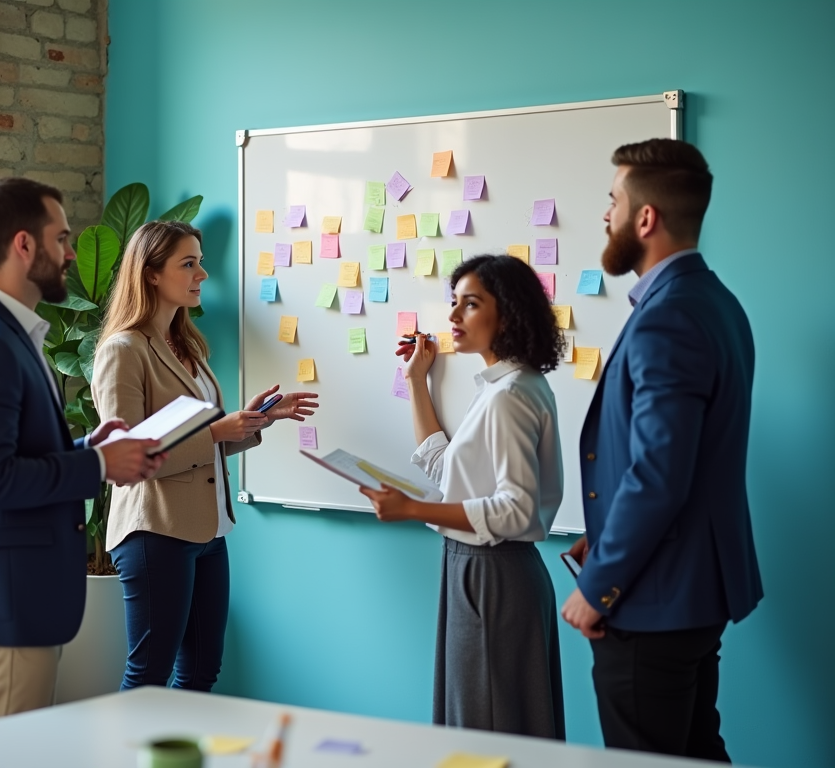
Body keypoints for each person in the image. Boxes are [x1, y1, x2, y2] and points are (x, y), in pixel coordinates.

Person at [0, 178, 165, 724]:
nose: (72, 253)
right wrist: (98, 465)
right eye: (62, 239)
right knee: (3, 755)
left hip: (17, 588)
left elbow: (12, 454)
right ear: (24, 245)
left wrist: (86, 446)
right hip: (6, 592)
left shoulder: (8, 334)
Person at [561, 139, 763, 761]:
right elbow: (682, 461)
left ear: (645, 218)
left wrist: (600, 586)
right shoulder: (717, 303)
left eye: (613, 201)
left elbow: (659, 475)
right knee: (698, 751)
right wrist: (605, 536)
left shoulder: (666, 316)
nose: (606, 215)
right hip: (696, 592)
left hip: (654, 603)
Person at [91, 220, 318, 691]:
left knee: (200, 671)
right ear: (151, 274)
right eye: (188, 264)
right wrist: (216, 431)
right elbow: (126, 457)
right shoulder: (123, 350)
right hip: (155, 530)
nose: (203, 275)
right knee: (149, 675)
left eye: (201, 262)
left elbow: (200, 443)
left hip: (208, 529)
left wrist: (255, 422)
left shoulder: (186, 344)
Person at [360, 254, 566, 739]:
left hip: (493, 573)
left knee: (486, 730)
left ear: (508, 314)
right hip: (475, 568)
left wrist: (413, 509)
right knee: (481, 723)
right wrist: (417, 382)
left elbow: (515, 508)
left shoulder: (511, 397)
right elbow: (446, 466)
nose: (452, 317)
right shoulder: (503, 387)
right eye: (454, 303)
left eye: (469, 305)